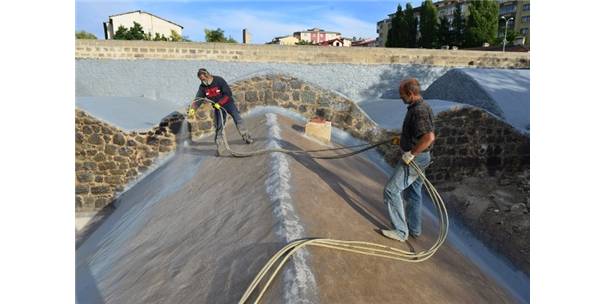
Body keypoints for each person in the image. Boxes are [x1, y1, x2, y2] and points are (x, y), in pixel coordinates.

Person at [381, 78, 435, 242]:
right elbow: (420, 134)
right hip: (422, 157)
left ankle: (400, 231)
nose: (401, 97)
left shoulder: (419, 111)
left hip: (415, 160)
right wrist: (404, 139)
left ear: (411, 94)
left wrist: (411, 153)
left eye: (402, 94)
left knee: (391, 191)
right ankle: (414, 229)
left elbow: (429, 137)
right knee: (413, 193)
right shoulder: (419, 106)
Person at [190, 68, 253, 155]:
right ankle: (220, 146)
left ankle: (246, 137)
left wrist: (220, 103)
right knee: (219, 126)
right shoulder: (202, 87)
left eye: (204, 79)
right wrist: (193, 109)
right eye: (201, 80)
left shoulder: (219, 80)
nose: (203, 81)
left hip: (228, 103)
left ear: (207, 75)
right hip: (218, 108)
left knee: (237, 118)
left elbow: (228, 93)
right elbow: (198, 99)